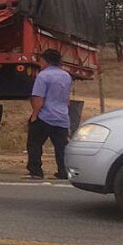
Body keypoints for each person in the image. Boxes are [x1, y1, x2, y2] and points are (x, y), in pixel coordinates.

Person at [24, 48, 72, 180]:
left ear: (45, 61)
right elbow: (67, 97)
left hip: (45, 116)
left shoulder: (43, 76)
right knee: (61, 146)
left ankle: (36, 171)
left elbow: (38, 98)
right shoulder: (66, 76)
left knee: (34, 144)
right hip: (62, 116)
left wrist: (34, 115)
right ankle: (63, 171)